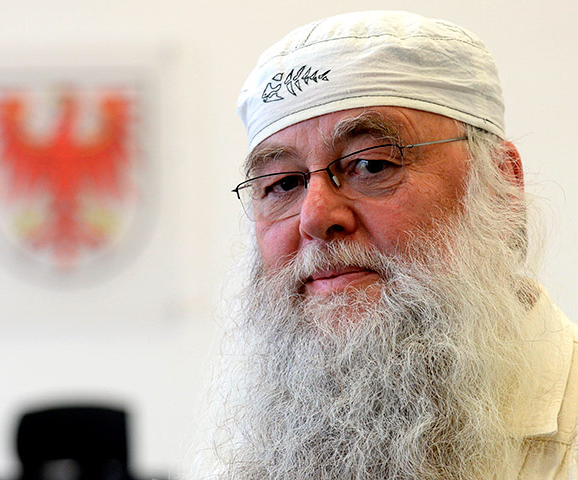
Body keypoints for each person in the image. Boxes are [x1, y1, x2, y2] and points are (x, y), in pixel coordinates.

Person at [196, 11, 578, 480]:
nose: (316, 217)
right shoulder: (245, 456)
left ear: (501, 184)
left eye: (372, 165)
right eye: (284, 183)